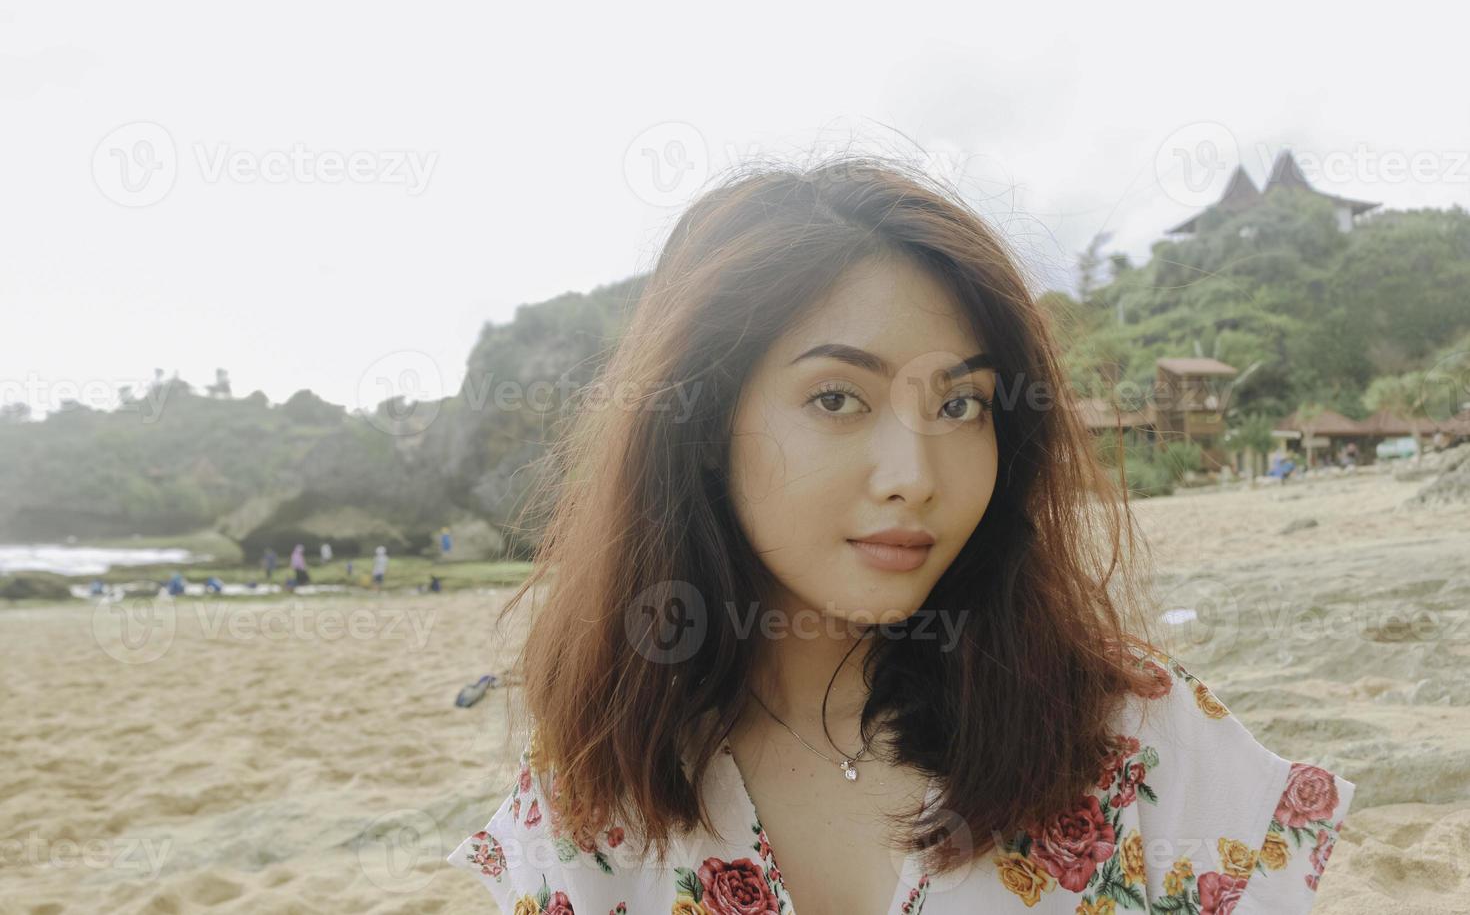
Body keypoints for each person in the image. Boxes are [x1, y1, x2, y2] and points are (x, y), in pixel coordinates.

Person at [444, 158, 1355, 913]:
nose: (915, 474)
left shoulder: (1140, 741)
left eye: (961, 404)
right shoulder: (592, 794)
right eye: (837, 398)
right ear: (705, 430)